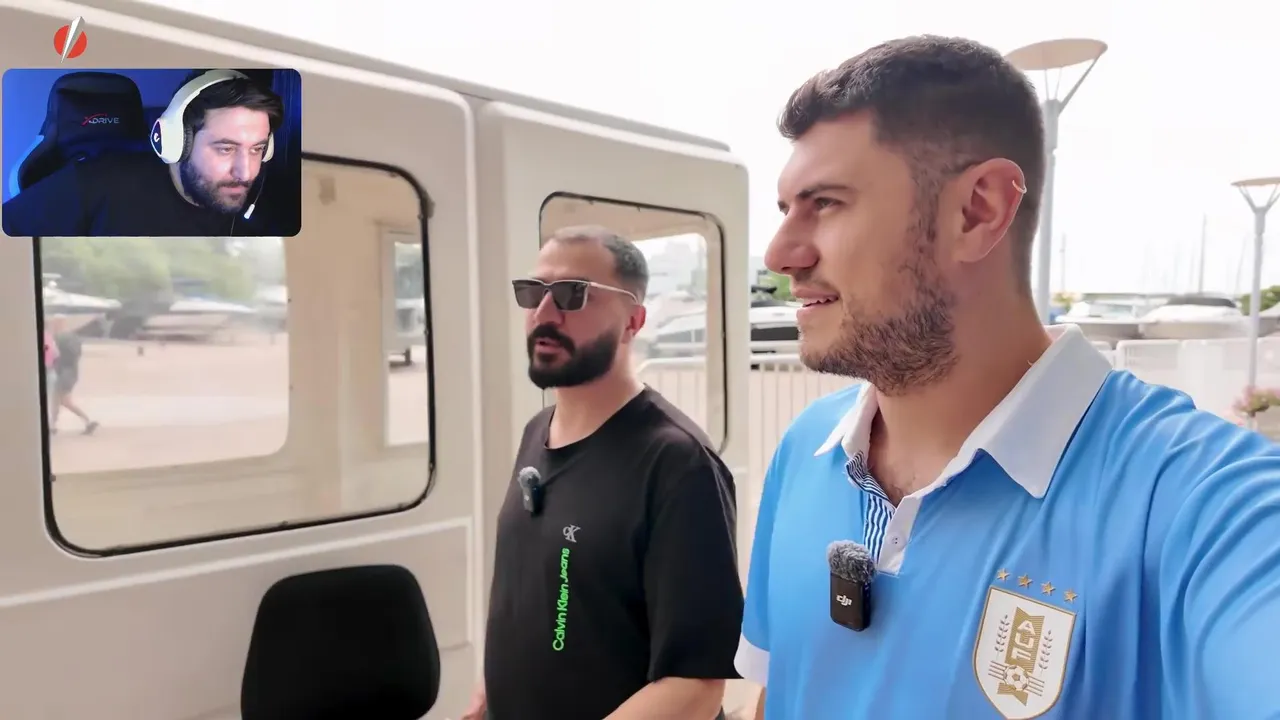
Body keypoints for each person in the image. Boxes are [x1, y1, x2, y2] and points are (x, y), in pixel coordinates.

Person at [737, 35, 1280, 719]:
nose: (780, 253)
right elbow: (781, 692)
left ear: (979, 211)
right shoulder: (806, 448)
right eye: (785, 209)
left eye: (825, 203)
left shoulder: (1205, 505)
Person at [466, 225, 743, 720]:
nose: (543, 314)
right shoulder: (537, 431)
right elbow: (533, 594)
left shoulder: (677, 464)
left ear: (634, 320)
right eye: (533, 292)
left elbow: (696, 687)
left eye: (572, 294)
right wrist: (491, 691)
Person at [2, 69, 284, 237]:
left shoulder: (248, 220)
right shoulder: (94, 182)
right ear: (176, 140)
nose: (246, 172)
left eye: (257, 149)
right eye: (225, 149)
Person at [47, 315, 99, 436]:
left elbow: (53, 354)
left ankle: (87, 421)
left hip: (63, 372)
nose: (52, 326)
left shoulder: (58, 337)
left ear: (58, 323)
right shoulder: (74, 337)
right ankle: (53, 426)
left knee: (63, 401)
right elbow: (77, 354)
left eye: (54, 323)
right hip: (72, 372)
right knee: (59, 400)